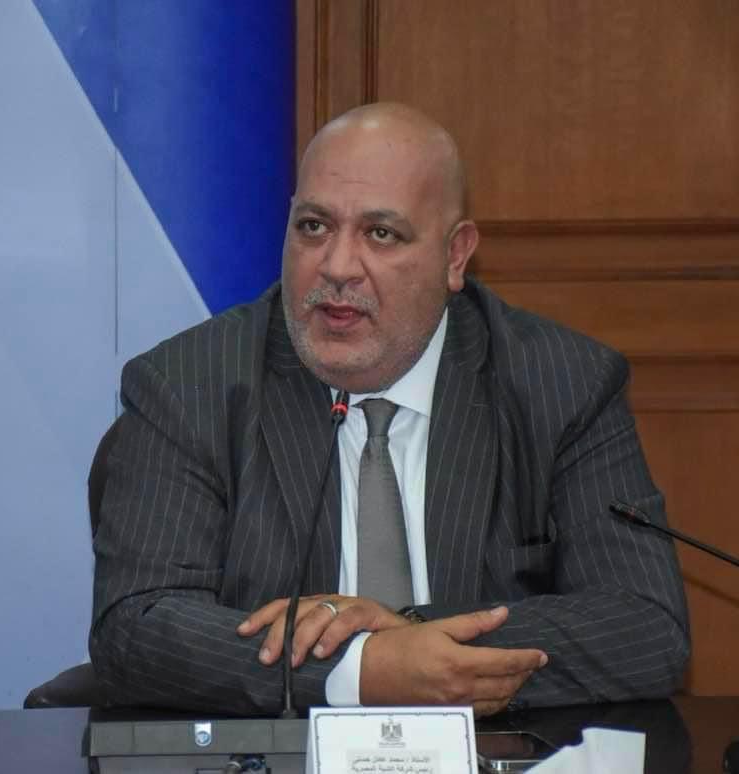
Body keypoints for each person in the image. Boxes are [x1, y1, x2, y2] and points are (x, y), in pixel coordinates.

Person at [90, 103, 690, 717]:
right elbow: (135, 626)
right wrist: (360, 669)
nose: (337, 267)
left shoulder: (561, 385)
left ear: (455, 256)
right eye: (314, 227)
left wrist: (411, 638)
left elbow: (645, 626)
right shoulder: (189, 385)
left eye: (381, 234)